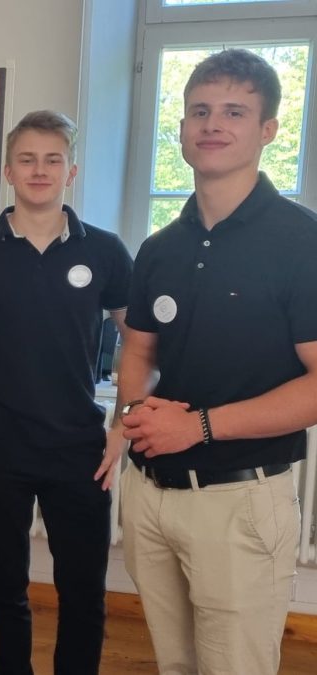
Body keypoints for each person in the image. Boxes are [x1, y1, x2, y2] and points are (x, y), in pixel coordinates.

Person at [118, 49, 317, 674]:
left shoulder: (300, 241)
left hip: (240, 501)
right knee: (174, 665)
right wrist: (133, 410)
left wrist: (198, 426)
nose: (213, 124)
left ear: (267, 132)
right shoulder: (159, 246)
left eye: (234, 111)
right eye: (199, 110)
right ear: (181, 130)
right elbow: (140, 351)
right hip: (151, 495)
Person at [0, 110, 132, 675]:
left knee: (84, 593)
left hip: (80, 449)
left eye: (53, 159)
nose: (41, 170)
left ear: (72, 171)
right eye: (28, 159)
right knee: (5, 588)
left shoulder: (107, 251)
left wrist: (123, 426)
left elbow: (142, 343)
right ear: (9, 170)